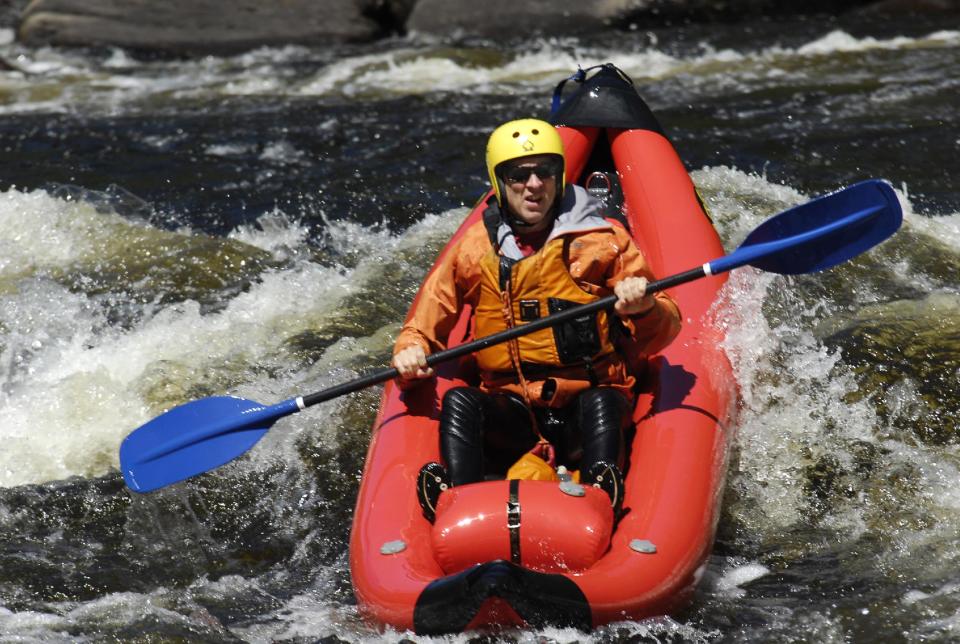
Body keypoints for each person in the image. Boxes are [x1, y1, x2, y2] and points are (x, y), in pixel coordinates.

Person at [392, 118, 681, 518]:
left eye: (545, 171)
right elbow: (424, 325)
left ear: (559, 176)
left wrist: (643, 306)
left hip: (586, 406)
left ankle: (601, 496)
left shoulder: (603, 241)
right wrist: (410, 353)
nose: (534, 185)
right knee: (461, 400)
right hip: (512, 410)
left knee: (604, 402)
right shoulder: (474, 251)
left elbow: (666, 328)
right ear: (500, 181)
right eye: (519, 174)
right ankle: (458, 502)